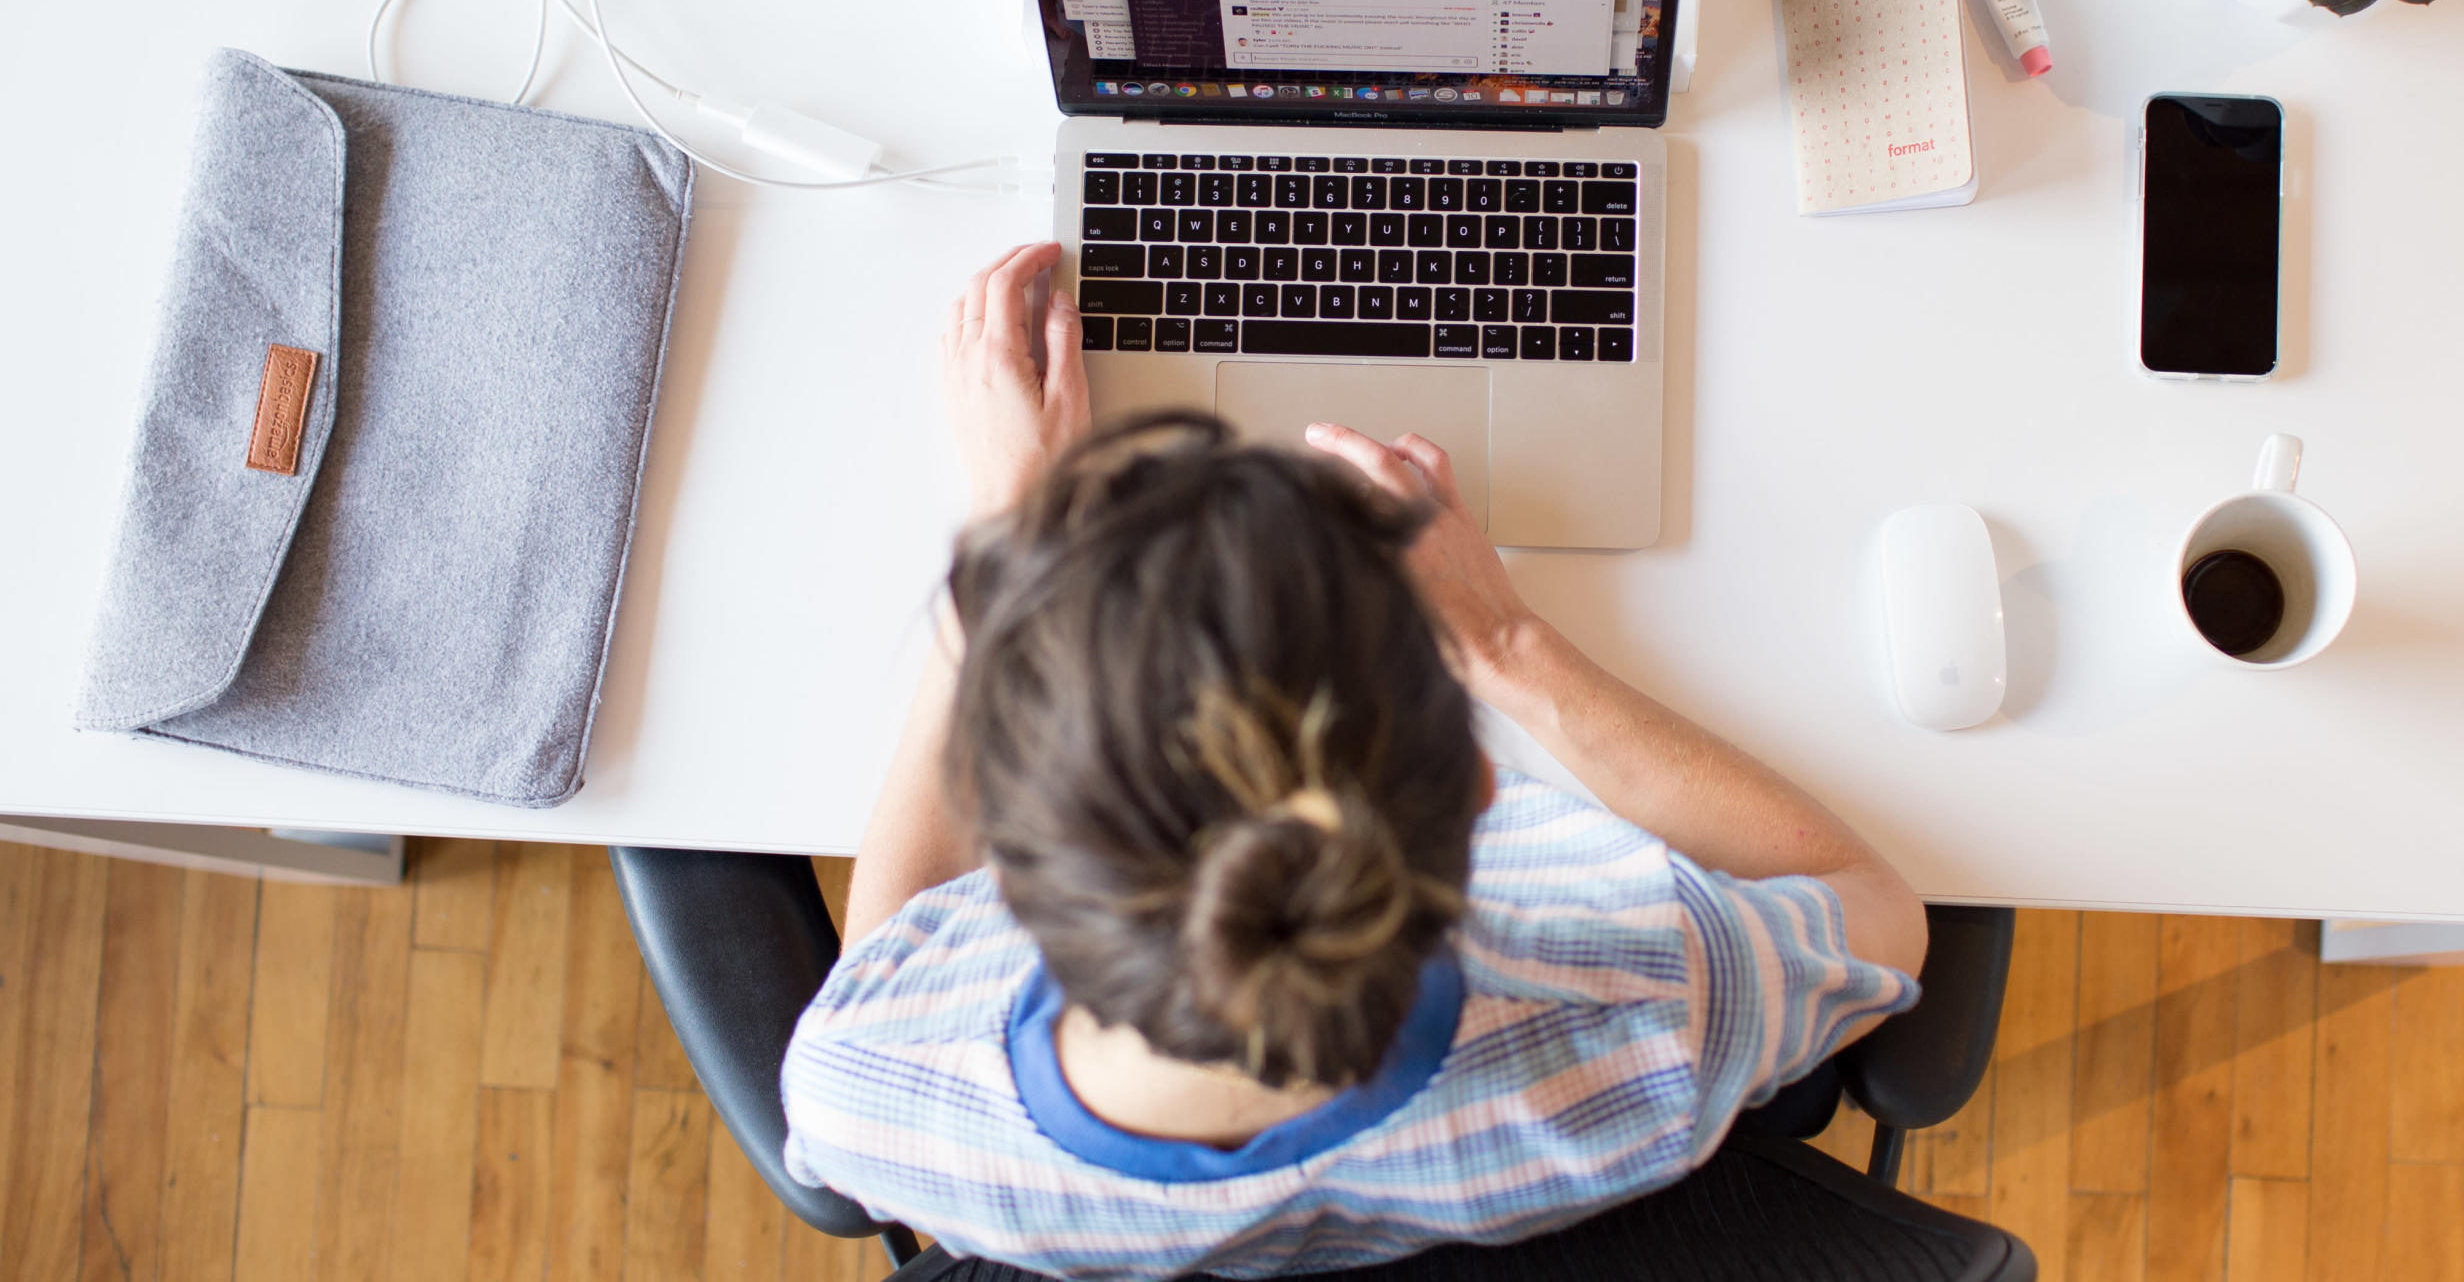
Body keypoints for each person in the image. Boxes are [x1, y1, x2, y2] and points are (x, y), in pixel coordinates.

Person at [781, 244, 1929, 1279]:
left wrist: (1008, 535)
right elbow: (1876, 908)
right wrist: (1512, 647)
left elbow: (889, 957)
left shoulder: (873, 1095)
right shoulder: (1650, 1008)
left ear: (1019, 871)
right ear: (1485, 792)